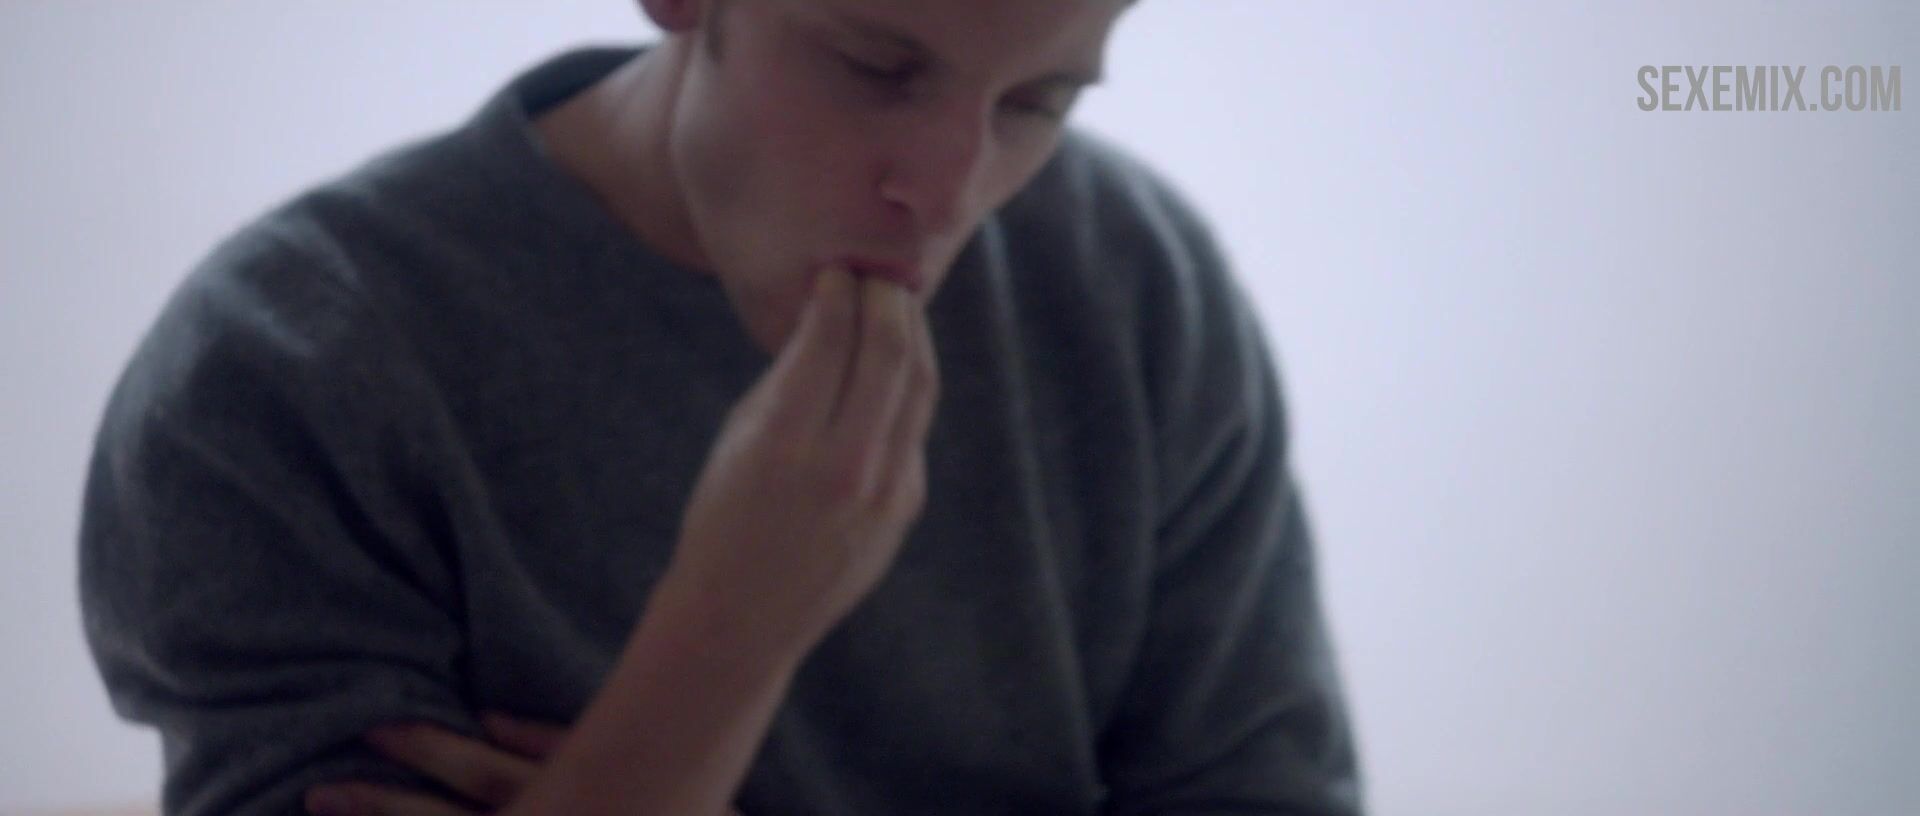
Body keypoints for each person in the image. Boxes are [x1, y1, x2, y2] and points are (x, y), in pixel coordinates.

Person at [77, 0, 1364, 813]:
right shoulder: (287, 371)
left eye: (1038, 102)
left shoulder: (1131, 282)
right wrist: (730, 633)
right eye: (878, 65)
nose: (951, 191)